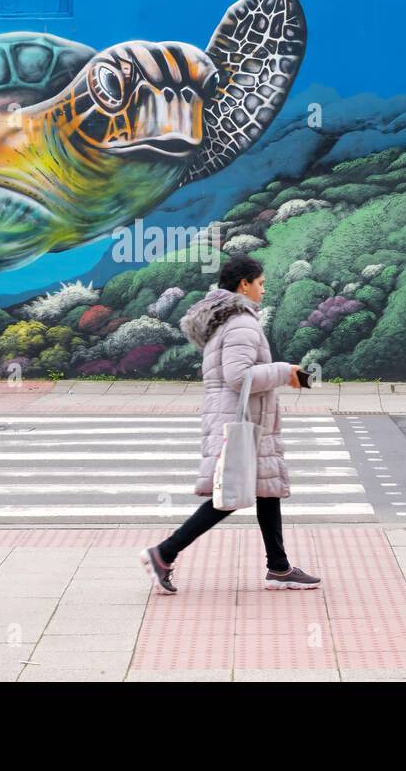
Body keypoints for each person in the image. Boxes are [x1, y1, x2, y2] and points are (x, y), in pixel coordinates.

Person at [139, 255, 322, 594]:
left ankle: (279, 567)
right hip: (242, 420)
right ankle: (163, 553)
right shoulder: (240, 322)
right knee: (229, 495)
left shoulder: (227, 320)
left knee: (266, 489)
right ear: (244, 284)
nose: (264, 291)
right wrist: (285, 372)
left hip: (242, 418)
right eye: (261, 283)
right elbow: (237, 377)